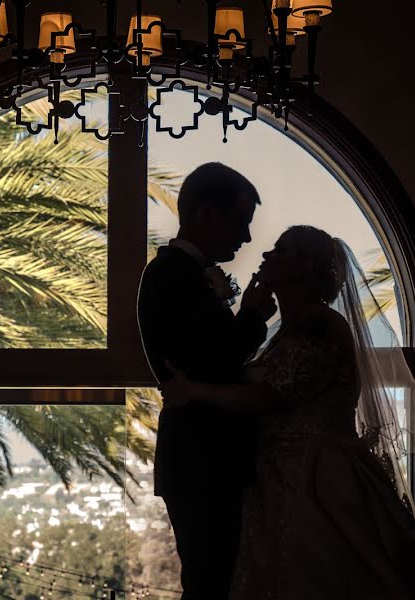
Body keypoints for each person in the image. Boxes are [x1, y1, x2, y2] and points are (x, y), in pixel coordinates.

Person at [162, 225, 415, 599]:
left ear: (306, 267)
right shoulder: (288, 328)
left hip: (317, 476)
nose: (266, 255)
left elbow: (271, 397)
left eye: (281, 249)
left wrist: (193, 391)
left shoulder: (320, 325)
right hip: (276, 475)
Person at [137, 163, 277, 599]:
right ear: (204, 214)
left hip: (206, 458)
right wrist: (253, 316)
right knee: (210, 583)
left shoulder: (183, 274)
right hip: (202, 459)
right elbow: (210, 362)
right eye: (240, 222)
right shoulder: (170, 277)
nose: (247, 238)